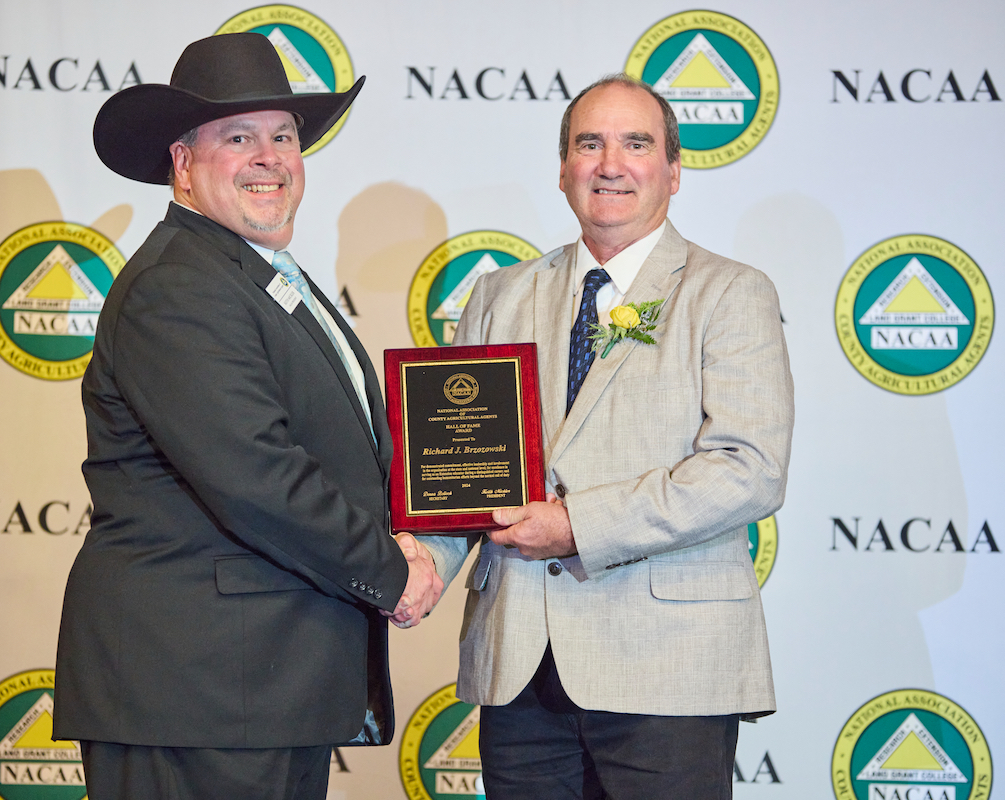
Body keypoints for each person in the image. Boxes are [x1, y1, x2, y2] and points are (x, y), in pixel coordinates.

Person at [53, 33, 441, 800]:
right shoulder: (181, 287)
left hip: (253, 696)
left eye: (283, 137)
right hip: (198, 696)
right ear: (183, 164)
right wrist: (391, 571)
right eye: (239, 138)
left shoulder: (249, 274)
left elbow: (335, 451)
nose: (269, 157)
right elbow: (256, 476)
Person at [418, 74, 794, 799]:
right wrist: (421, 562)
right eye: (589, 144)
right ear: (564, 169)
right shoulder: (500, 295)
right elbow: (460, 471)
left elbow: (748, 469)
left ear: (674, 171)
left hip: (669, 670)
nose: (610, 163)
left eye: (635, 143)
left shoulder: (730, 292)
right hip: (520, 663)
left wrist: (575, 525)